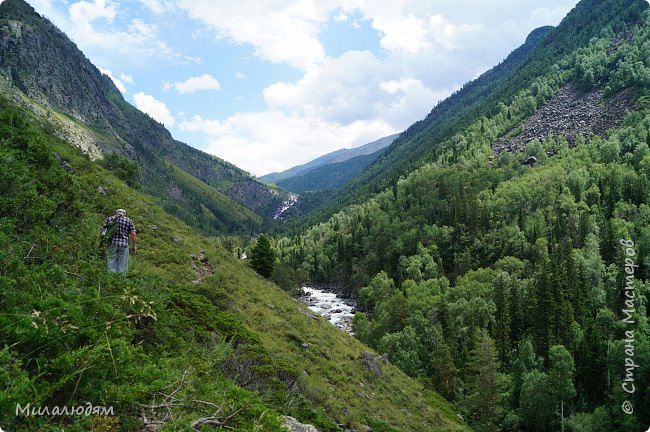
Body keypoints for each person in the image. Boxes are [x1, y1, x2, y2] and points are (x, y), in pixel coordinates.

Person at [101, 209, 137, 273]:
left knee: (111, 261)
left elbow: (103, 232)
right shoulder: (128, 220)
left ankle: (111, 279)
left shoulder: (109, 219)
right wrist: (134, 246)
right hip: (124, 245)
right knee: (122, 264)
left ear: (116, 213)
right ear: (124, 213)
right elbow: (133, 234)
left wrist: (101, 242)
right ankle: (120, 279)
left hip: (111, 244)